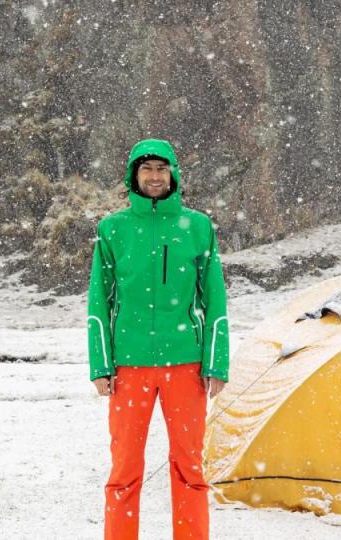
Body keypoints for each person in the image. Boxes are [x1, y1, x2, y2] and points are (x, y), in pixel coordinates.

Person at [87, 138, 230, 539]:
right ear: (133, 175)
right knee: (124, 471)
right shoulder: (113, 229)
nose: (154, 176)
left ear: (173, 174)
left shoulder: (197, 227)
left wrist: (216, 363)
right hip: (129, 367)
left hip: (186, 365)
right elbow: (99, 302)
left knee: (190, 469)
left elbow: (215, 300)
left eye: (161, 169)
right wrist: (100, 365)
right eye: (146, 169)